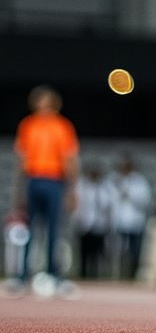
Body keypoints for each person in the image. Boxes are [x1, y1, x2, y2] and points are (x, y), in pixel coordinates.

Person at [9, 85, 79, 294]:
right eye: (39, 102)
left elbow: (69, 159)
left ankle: (55, 275)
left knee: (53, 230)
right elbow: (21, 159)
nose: (42, 107)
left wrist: (72, 189)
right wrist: (18, 190)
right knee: (29, 230)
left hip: (54, 180)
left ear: (54, 104)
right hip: (34, 178)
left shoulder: (62, 126)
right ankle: (22, 277)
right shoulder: (28, 125)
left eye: (46, 102)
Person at [109, 154, 151, 279]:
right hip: (119, 222)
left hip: (134, 222)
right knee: (119, 252)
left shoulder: (140, 181)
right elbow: (109, 199)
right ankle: (118, 276)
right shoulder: (114, 179)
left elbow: (145, 201)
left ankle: (132, 275)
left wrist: (128, 193)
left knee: (134, 252)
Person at [72, 163, 114, 279]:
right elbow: (77, 205)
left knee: (98, 254)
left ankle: (97, 276)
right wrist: (77, 220)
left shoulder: (105, 187)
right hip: (85, 225)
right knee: (84, 254)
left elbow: (109, 205)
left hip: (99, 226)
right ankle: (83, 275)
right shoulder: (82, 186)